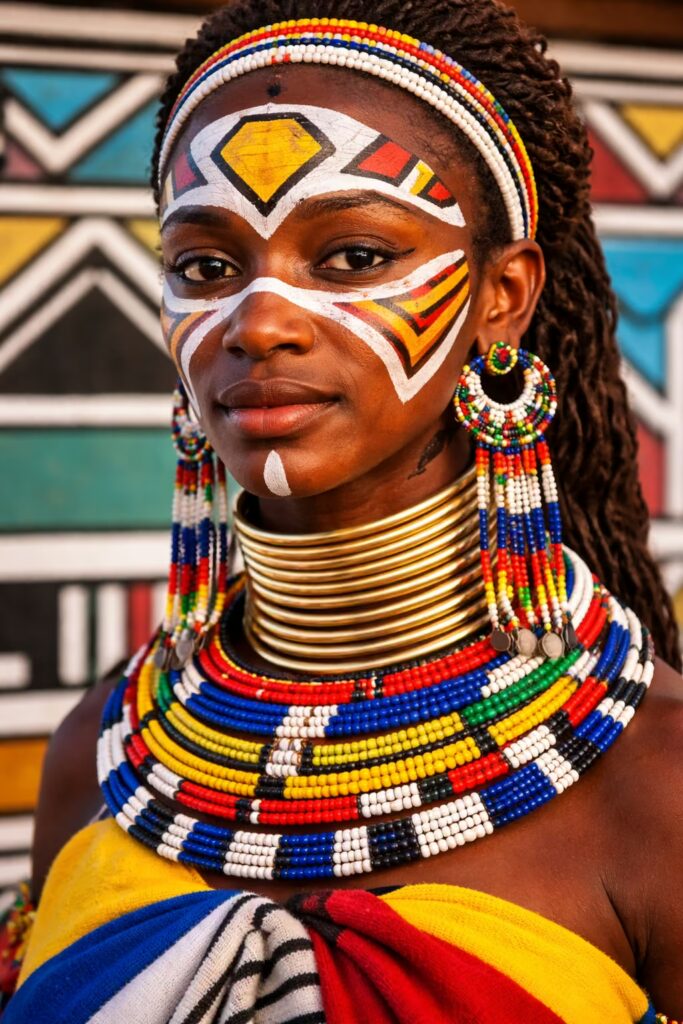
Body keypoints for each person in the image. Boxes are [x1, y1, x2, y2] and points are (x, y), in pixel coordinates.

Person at [2, 2, 682, 1021]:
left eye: (353, 257)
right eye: (205, 267)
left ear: (502, 294)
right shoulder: (99, 757)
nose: (259, 322)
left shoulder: (655, 783)